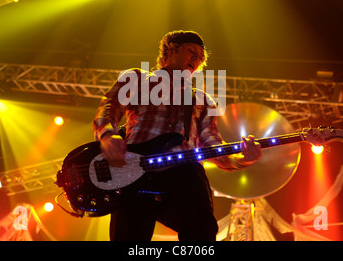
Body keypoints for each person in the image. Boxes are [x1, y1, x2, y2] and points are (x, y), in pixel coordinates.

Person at [93, 30, 262, 241]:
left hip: (183, 172)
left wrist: (240, 159)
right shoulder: (137, 78)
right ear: (170, 50)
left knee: (201, 229)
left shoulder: (203, 99)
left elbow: (212, 142)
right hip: (134, 168)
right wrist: (108, 135)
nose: (196, 60)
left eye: (200, 58)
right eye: (192, 51)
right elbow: (109, 107)